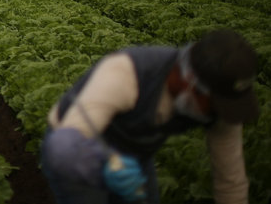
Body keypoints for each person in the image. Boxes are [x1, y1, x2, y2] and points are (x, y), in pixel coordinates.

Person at [41, 29, 259, 204]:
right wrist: (106, 163)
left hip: (134, 156)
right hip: (76, 144)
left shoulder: (224, 105)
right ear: (190, 81)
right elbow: (64, 146)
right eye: (214, 104)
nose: (218, 113)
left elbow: (231, 182)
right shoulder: (127, 73)